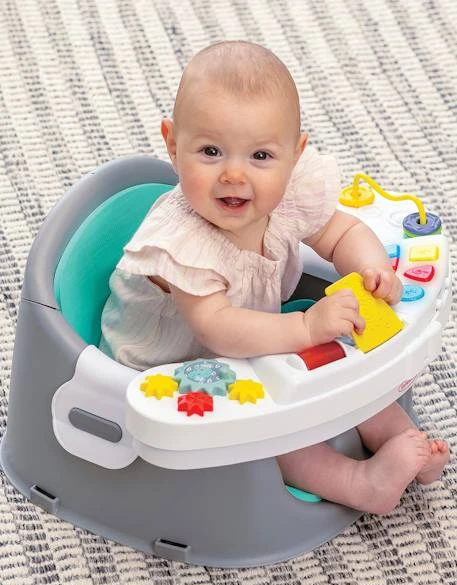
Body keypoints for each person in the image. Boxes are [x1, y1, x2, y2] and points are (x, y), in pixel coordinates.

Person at [100, 41, 449, 515]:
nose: (235, 175)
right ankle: (359, 482)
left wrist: (371, 268)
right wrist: (304, 327)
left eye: (261, 156)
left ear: (294, 154)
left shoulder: (286, 195)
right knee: (274, 425)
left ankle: (401, 439)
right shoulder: (181, 242)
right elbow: (217, 327)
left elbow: (341, 232)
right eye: (211, 151)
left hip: (253, 337)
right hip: (174, 370)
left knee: (340, 365)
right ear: (173, 145)